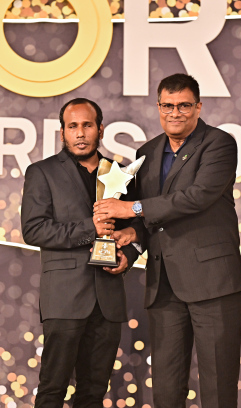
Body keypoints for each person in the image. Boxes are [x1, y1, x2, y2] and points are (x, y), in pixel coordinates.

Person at [93, 74, 241, 408]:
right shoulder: (147, 151)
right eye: (167, 105)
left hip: (212, 285)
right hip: (163, 286)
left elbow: (195, 198)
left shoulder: (219, 143)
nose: (175, 113)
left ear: (198, 107)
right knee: (165, 387)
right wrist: (132, 239)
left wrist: (130, 207)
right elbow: (151, 220)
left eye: (183, 105)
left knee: (218, 388)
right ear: (158, 107)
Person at [21, 98, 138, 408]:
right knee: (52, 391)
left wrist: (130, 256)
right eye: (73, 126)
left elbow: (138, 230)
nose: (81, 133)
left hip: (109, 299)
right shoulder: (41, 172)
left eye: (87, 125)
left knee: (93, 394)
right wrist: (91, 228)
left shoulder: (119, 174)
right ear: (63, 132)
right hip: (65, 298)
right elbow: (34, 230)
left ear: (100, 129)